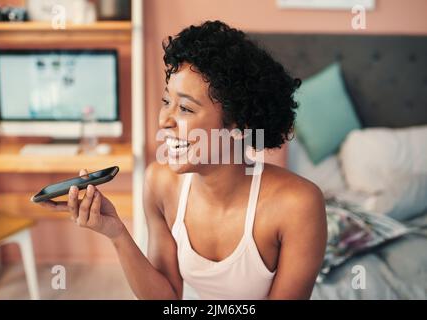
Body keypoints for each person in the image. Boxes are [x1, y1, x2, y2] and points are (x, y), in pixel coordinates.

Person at [39, 20, 327, 300]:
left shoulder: (297, 205)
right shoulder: (161, 183)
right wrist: (116, 233)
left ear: (238, 126)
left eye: (186, 109)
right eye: (167, 102)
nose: (164, 120)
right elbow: (168, 296)